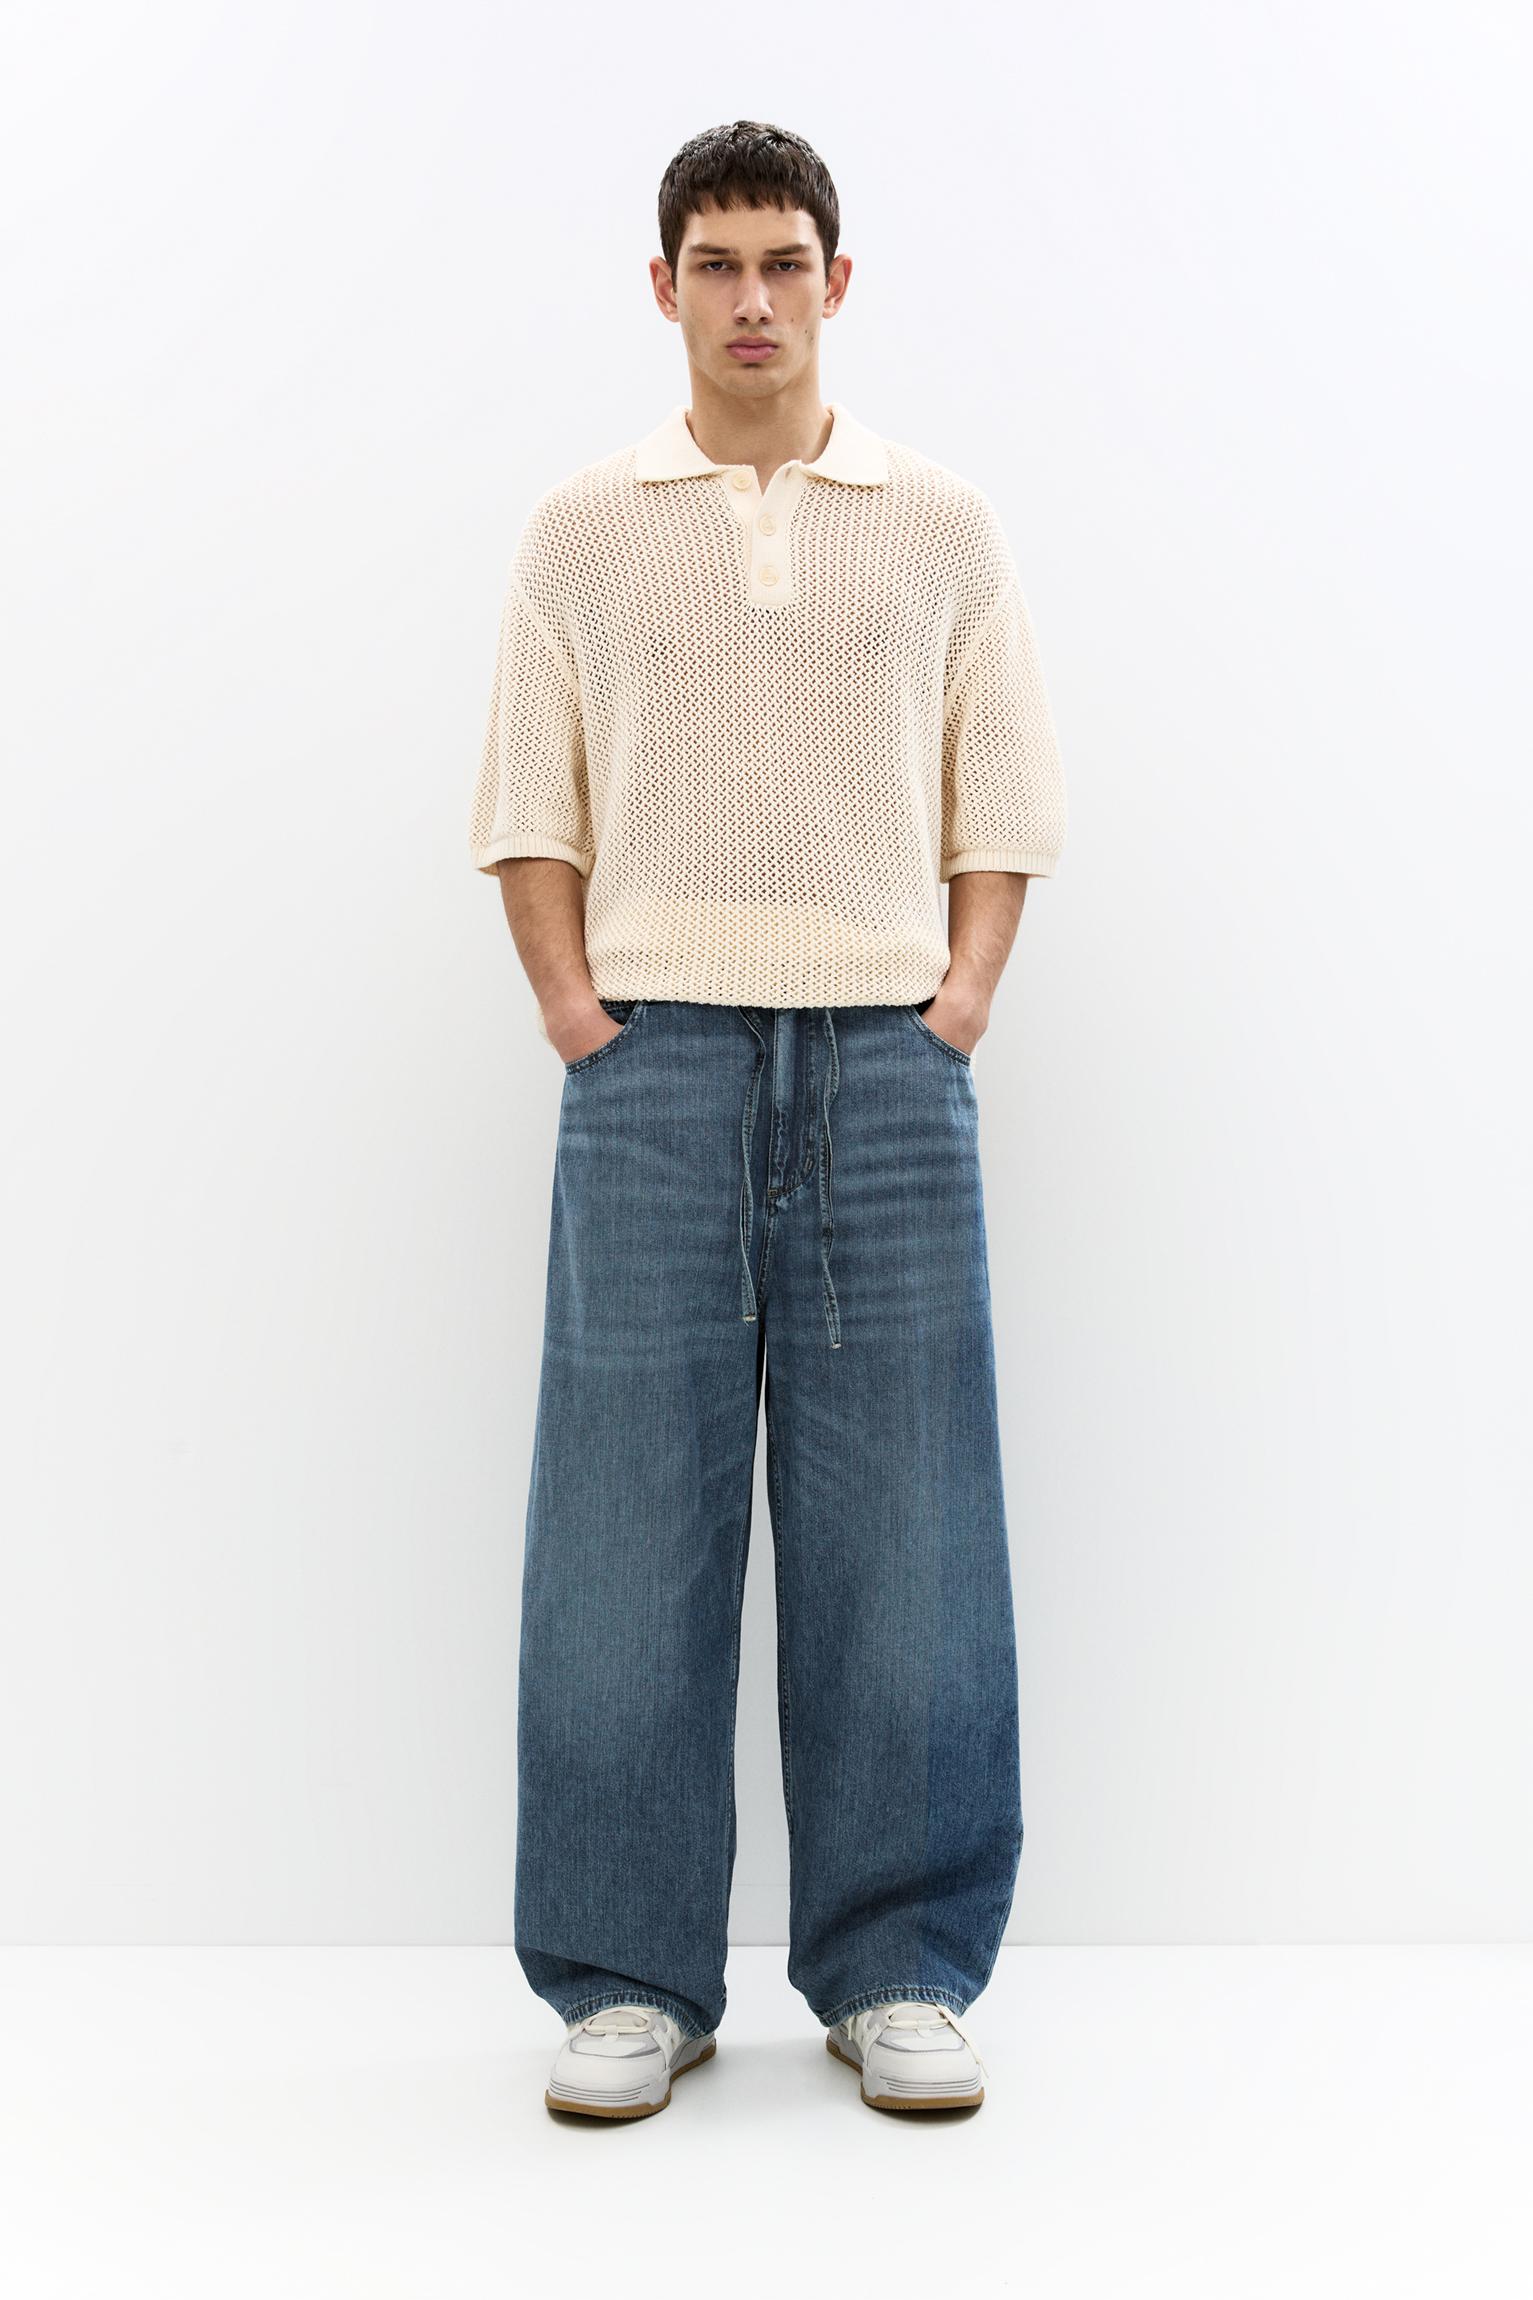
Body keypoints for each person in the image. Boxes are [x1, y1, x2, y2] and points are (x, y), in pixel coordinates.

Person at [468, 119, 1067, 2120]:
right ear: (662, 287)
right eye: (713, 263)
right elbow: (526, 801)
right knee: (622, 1525)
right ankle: (625, 1978)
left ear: (835, 281)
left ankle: (897, 1966)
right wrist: (576, 1013)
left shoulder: (940, 522)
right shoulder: (582, 527)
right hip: (649, 1064)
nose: (749, 298)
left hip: (888, 1060)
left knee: (905, 1520)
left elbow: (1004, 795)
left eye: (781, 262)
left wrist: (954, 1004)